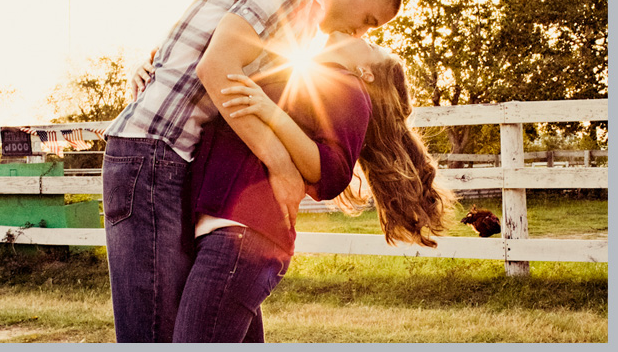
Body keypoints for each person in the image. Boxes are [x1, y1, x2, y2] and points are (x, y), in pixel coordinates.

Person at [102, 0, 402, 342]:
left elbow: (196, 51)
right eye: (368, 20)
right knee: (152, 336)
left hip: (167, 157)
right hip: (156, 154)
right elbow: (216, 66)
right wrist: (280, 165)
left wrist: (150, 65)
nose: (361, 32)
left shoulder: (293, 7)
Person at [170, 30, 455, 342]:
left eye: (371, 45)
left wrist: (269, 111)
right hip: (231, 233)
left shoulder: (350, 89)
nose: (362, 36)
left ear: (367, 72)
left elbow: (331, 173)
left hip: (240, 236)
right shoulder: (312, 79)